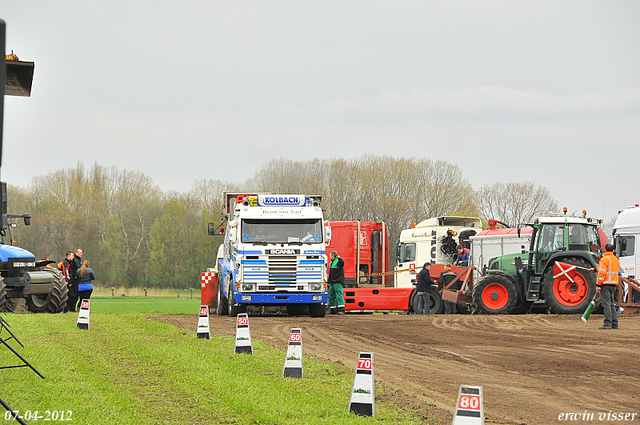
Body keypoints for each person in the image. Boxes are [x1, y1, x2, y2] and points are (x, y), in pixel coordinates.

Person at [595, 244, 620, 330]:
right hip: (613, 284)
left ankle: (607, 323)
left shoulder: (604, 259)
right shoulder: (615, 259)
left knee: (606, 304)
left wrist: (598, 284)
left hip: (605, 284)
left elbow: (602, 273)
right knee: (611, 304)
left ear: (605, 250)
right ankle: (614, 323)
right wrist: (595, 269)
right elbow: (609, 269)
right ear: (613, 250)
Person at [68, 248, 83, 312]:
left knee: (77, 295)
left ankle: (74, 308)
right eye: (80, 252)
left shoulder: (80, 260)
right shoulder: (74, 260)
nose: (81, 254)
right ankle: (71, 308)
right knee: (74, 295)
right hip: (75, 280)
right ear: (76, 253)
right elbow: (73, 269)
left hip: (79, 280)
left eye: (82, 253)